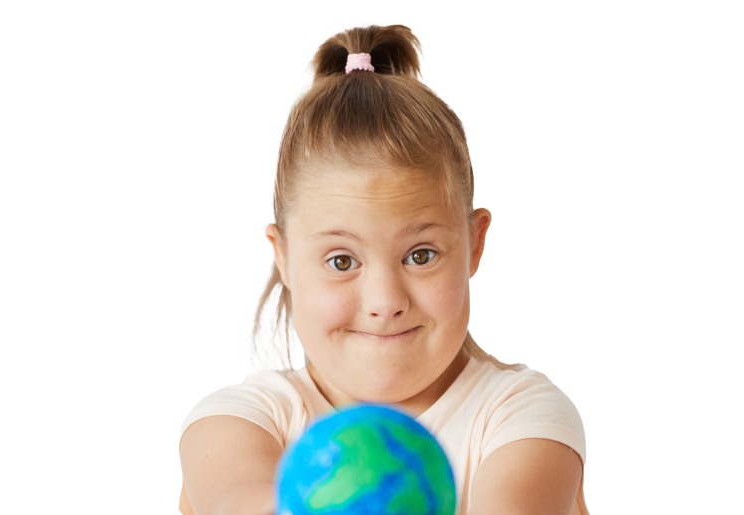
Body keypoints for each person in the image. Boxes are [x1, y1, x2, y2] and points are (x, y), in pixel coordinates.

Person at [178, 20, 588, 515]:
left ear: (475, 243)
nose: (385, 302)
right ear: (282, 257)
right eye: (342, 260)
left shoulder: (522, 418)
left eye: (421, 255)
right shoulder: (242, 421)